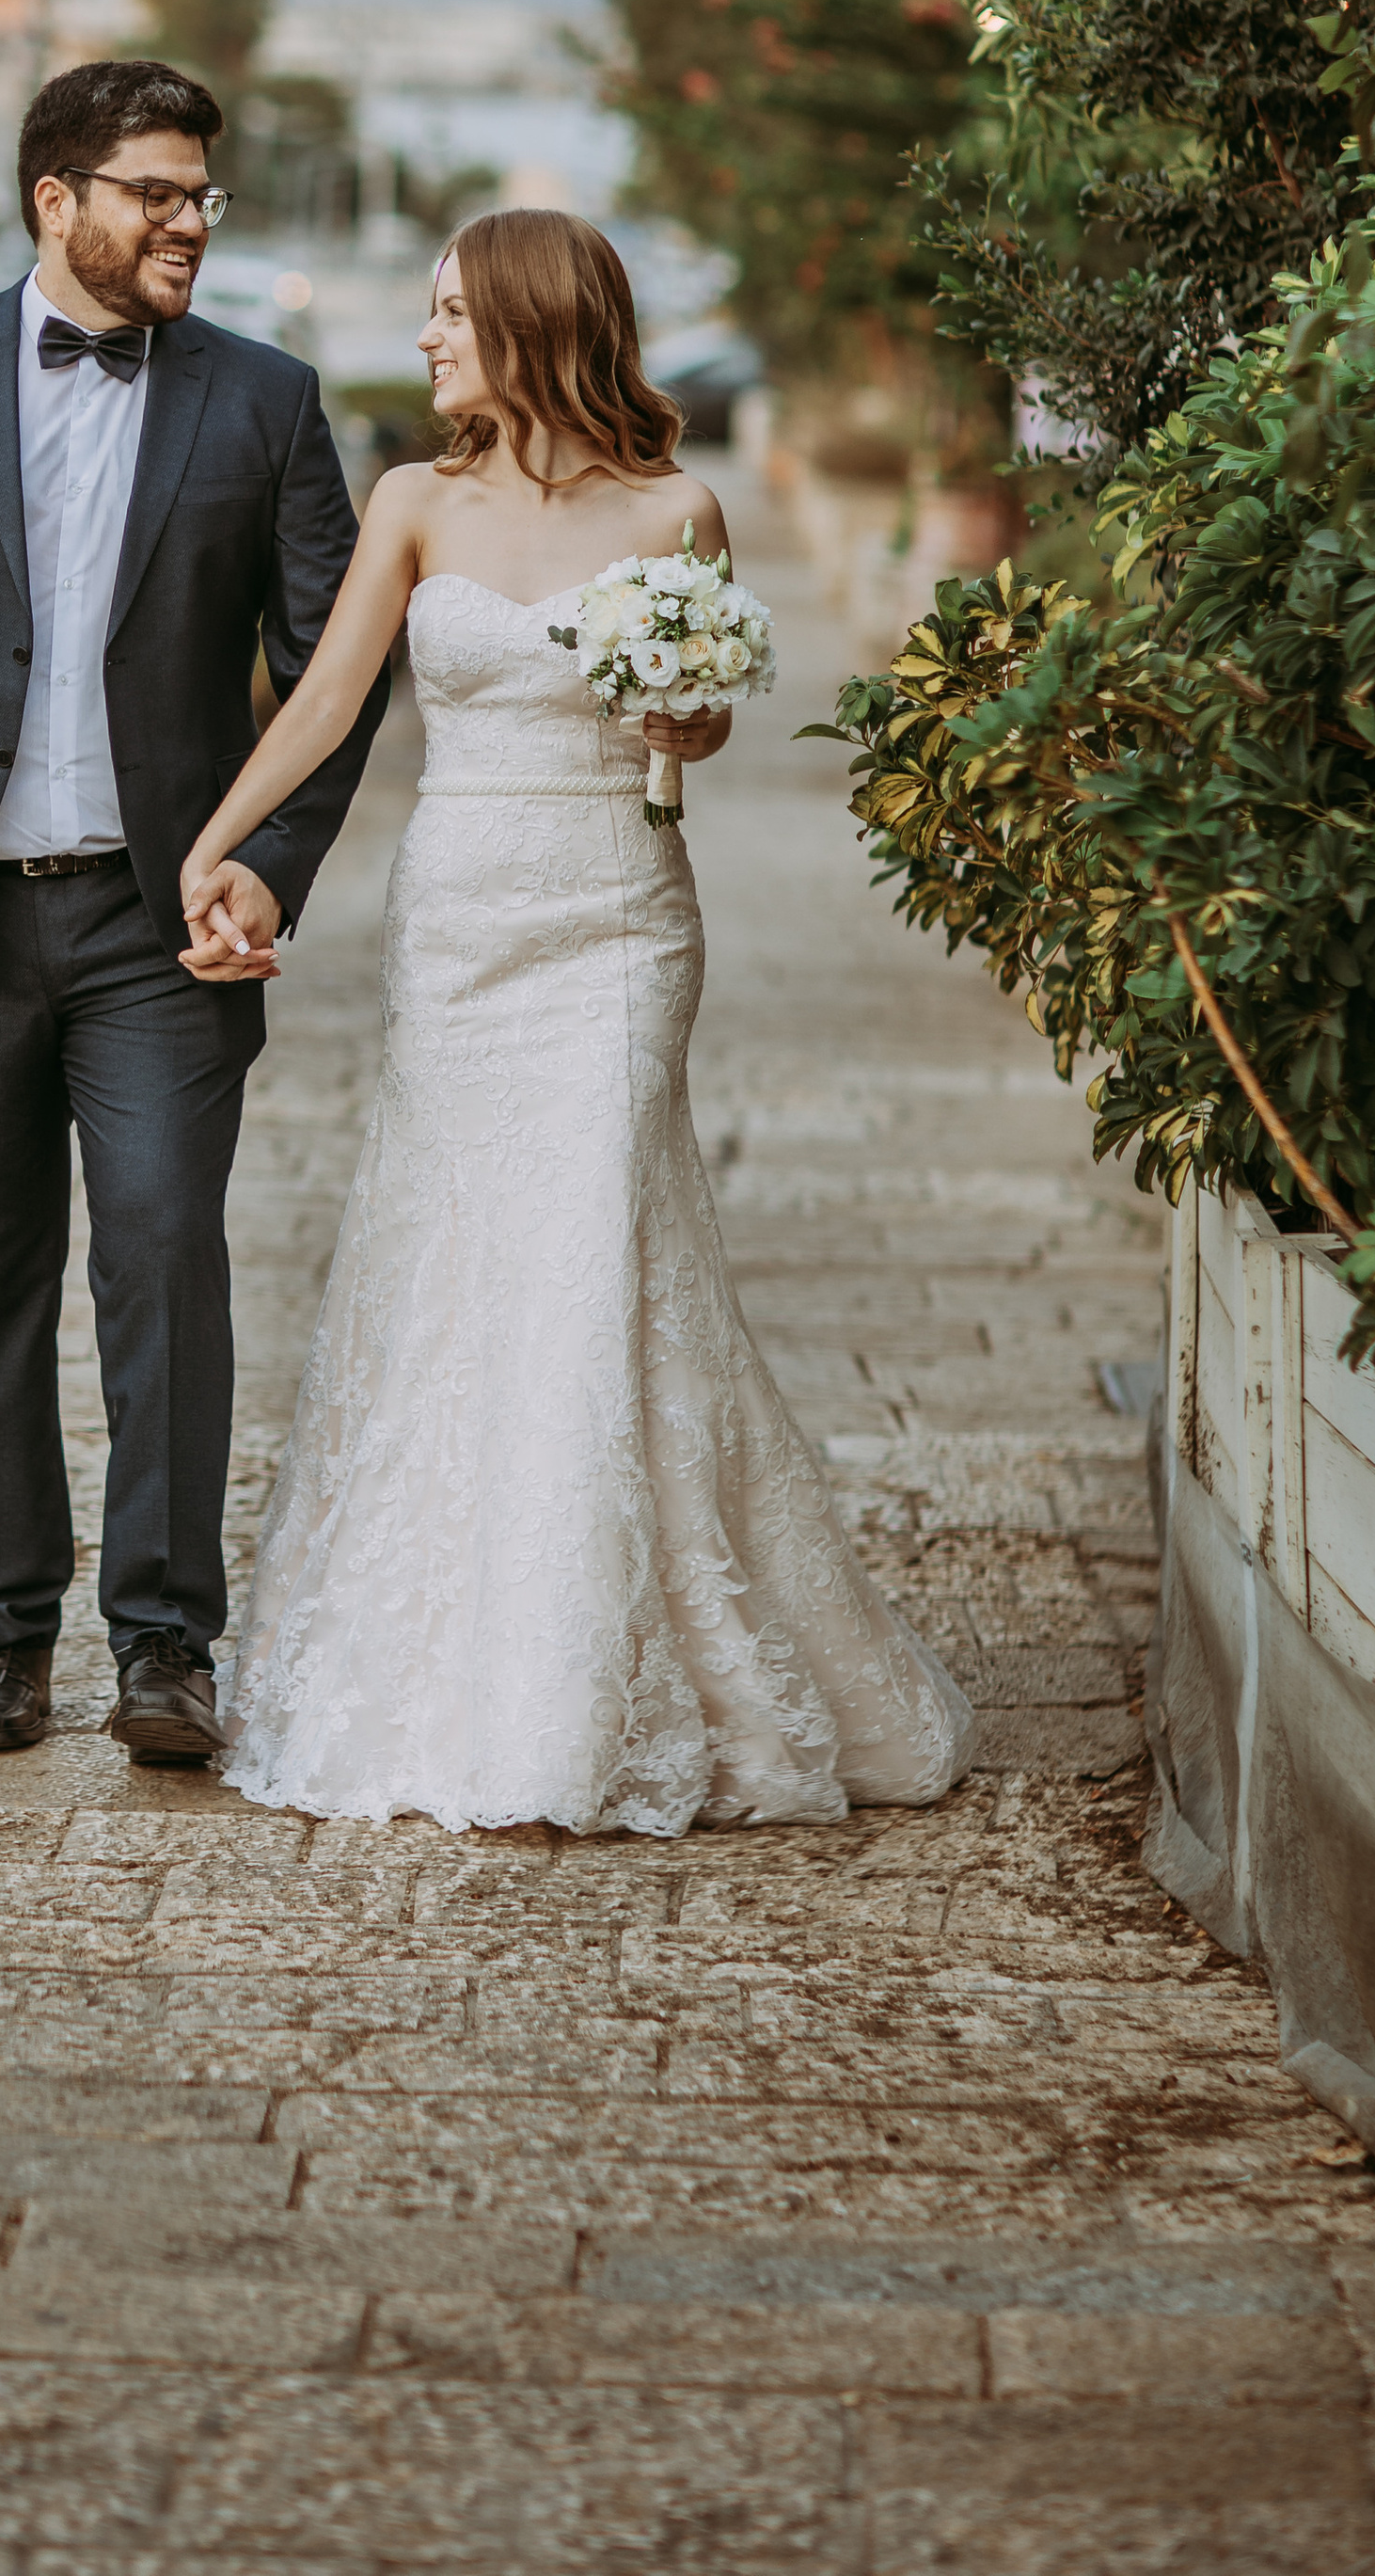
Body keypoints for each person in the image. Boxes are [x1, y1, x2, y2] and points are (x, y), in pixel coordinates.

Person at [182, 209, 975, 1835]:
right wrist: (218, 841)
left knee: (593, 1243)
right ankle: (449, 1658)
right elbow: (332, 700)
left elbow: (697, 732)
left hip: (617, 924)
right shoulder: (411, 501)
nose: (426, 338)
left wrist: (686, 713)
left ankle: (578, 1684)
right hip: (462, 924)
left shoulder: (680, 508)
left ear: (537, 326)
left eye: (453, 312)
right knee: (457, 1250)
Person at [0, 58, 387, 1772]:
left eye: (204, 198)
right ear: (58, 199)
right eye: (158, 194)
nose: (191, 223)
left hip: (158, 924)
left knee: (168, 1255)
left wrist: (277, 860)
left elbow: (339, 667)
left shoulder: (264, 401)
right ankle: (5, 1625)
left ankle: (168, 1641)